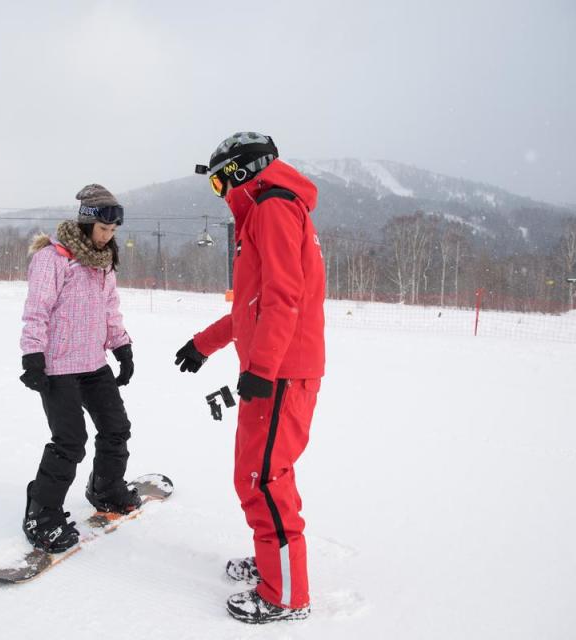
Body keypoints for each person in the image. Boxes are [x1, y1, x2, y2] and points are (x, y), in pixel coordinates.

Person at [175, 132, 326, 624]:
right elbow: (251, 307)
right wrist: (204, 344)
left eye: (221, 181)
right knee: (255, 475)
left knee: (265, 479)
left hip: (279, 373)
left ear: (243, 172)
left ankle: (284, 594)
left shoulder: (274, 208)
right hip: (273, 369)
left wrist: (262, 370)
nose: (220, 193)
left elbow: (284, 297)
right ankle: (271, 567)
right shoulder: (265, 211)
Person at [19, 183, 140, 553]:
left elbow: (110, 309)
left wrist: (121, 346)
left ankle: (105, 488)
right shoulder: (53, 258)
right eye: (104, 229)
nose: (108, 237)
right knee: (70, 441)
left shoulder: (103, 265)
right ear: (87, 224)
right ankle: (41, 514)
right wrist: (33, 355)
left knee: (116, 428)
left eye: (114, 231)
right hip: (57, 367)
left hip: (93, 362)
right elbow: (37, 309)